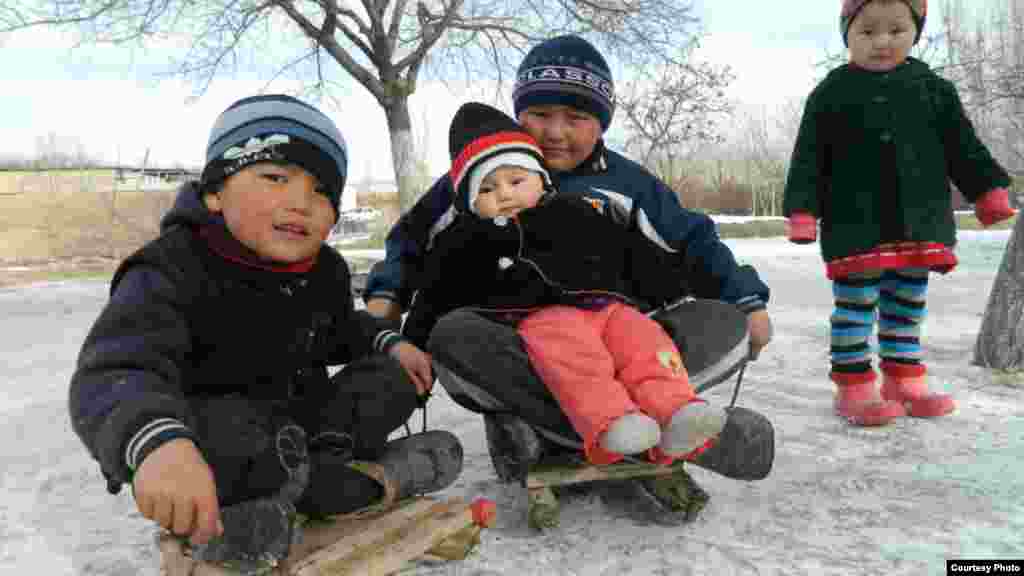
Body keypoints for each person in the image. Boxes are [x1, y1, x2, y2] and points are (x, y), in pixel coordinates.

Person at [363, 34, 774, 514]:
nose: (556, 131)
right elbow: (411, 244)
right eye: (540, 115)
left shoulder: (626, 183)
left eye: (576, 118)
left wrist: (746, 301)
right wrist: (386, 301)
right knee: (452, 332)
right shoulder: (476, 176)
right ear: (519, 114)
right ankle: (598, 429)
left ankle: (662, 413)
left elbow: (692, 242)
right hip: (522, 342)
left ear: (600, 123)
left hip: (621, 333)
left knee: (722, 321)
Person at [68, 94, 463, 562]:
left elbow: (343, 330)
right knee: (232, 432)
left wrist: (391, 343)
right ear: (216, 192)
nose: (300, 202)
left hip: (306, 427)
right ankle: (328, 491)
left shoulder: (325, 270)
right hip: (224, 444)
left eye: (321, 191)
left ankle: (319, 475)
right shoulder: (169, 268)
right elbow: (115, 369)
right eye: (275, 178)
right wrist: (158, 446)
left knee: (389, 378)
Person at [403, 102, 759, 470]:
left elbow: (631, 253)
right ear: (469, 202)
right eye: (487, 189)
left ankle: (677, 412)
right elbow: (434, 293)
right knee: (577, 362)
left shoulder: (574, 211)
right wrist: (410, 344)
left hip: (611, 309)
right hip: (543, 320)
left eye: (516, 181)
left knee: (646, 346)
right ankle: (612, 423)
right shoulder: (464, 239)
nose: (505, 194)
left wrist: (674, 289)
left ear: (541, 178)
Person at [783, 0, 1014, 427]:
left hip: (918, 223)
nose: (882, 42)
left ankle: (903, 381)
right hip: (855, 227)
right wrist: (801, 211)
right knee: (856, 309)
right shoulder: (831, 94)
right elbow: (808, 159)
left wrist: (986, 190)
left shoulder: (934, 90)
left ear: (915, 31)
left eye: (895, 30)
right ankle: (854, 387)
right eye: (867, 32)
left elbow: (963, 147)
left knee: (905, 308)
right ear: (848, 35)